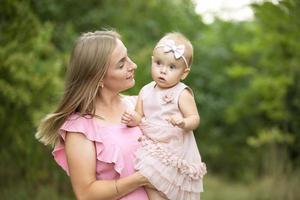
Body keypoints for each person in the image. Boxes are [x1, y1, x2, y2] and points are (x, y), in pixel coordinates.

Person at [35, 30, 152, 200]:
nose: (133, 65)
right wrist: (139, 179)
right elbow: (86, 193)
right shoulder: (80, 128)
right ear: (99, 79)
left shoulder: (139, 104)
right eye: (121, 64)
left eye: (128, 57)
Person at [121, 32, 207, 200]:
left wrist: (183, 122)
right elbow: (139, 116)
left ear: (184, 73)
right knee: (149, 181)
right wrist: (133, 119)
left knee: (172, 187)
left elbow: (194, 119)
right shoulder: (145, 90)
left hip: (175, 147)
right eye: (159, 63)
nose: (163, 70)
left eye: (172, 67)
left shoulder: (181, 93)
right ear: (152, 60)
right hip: (154, 146)